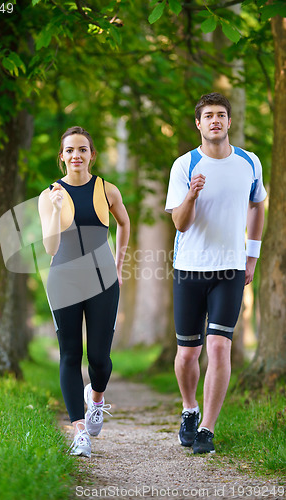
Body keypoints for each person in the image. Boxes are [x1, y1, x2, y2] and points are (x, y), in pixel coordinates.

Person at [165, 93, 266, 454]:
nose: (215, 121)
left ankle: (207, 428)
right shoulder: (184, 165)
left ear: (229, 121)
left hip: (230, 270)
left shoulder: (249, 162)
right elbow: (179, 222)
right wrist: (191, 195)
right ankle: (189, 408)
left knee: (220, 347)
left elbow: (258, 205)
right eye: (208, 116)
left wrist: (251, 258)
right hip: (189, 269)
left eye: (221, 115)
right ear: (198, 123)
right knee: (188, 354)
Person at [38, 126, 130, 457]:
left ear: (92, 154)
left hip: (103, 279)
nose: (77, 155)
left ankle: (97, 397)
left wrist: (118, 266)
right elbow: (50, 247)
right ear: (61, 157)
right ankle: (79, 432)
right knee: (69, 354)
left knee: (100, 360)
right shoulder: (49, 194)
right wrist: (55, 210)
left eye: (83, 149)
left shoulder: (108, 190)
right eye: (70, 150)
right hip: (64, 280)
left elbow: (124, 223)